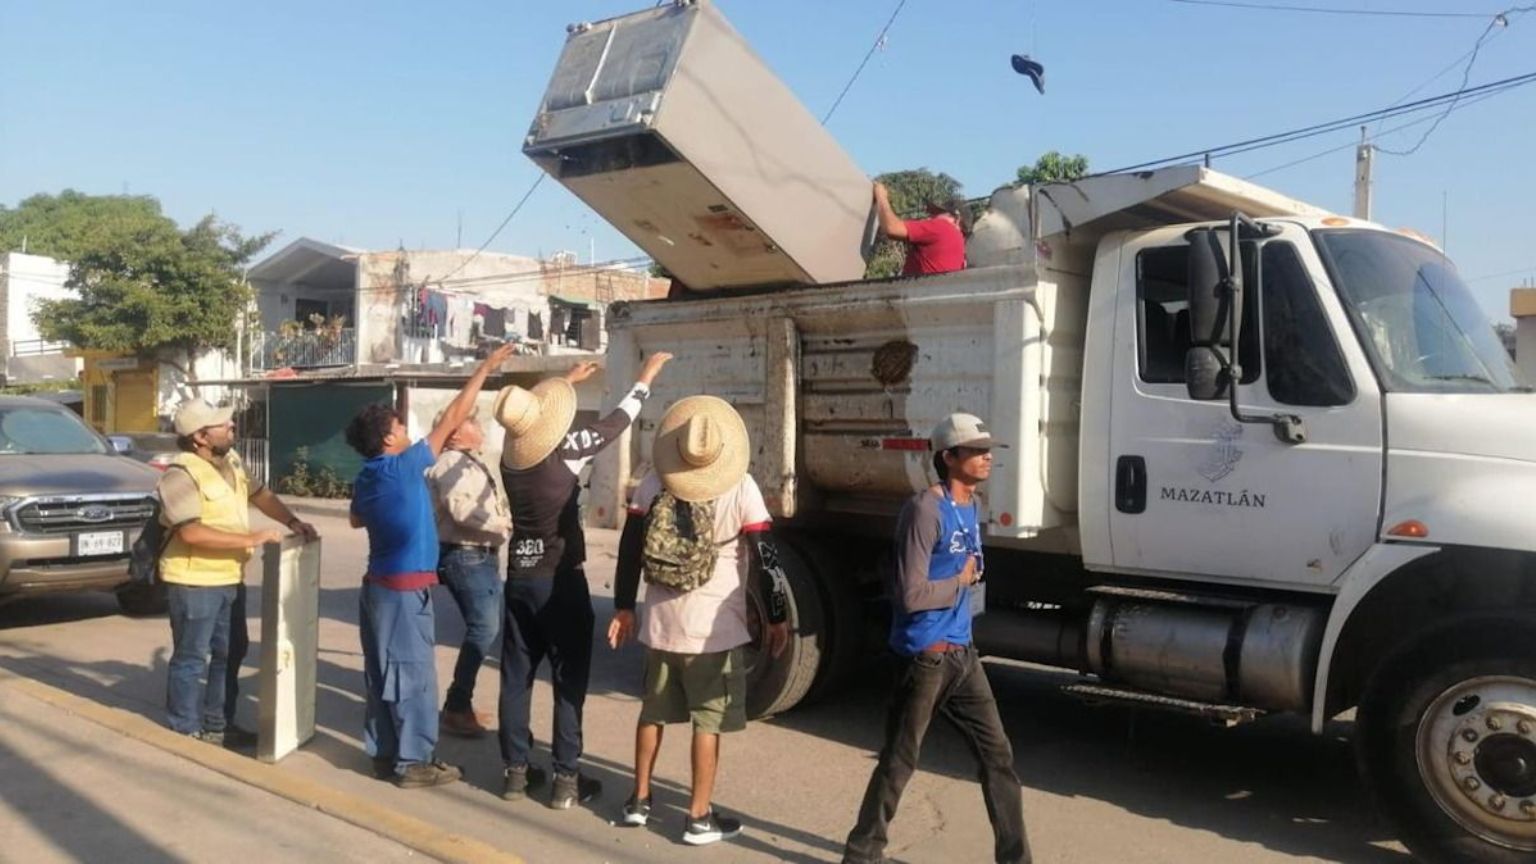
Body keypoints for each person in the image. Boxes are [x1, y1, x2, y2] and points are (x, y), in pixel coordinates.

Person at [842, 413, 1030, 864]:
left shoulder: (972, 505)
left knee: (998, 757)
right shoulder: (924, 510)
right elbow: (910, 595)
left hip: (963, 655)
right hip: (925, 657)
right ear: (948, 457)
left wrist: (968, 583)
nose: (987, 458)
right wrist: (960, 582)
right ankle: (862, 854)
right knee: (899, 760)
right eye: (976, 451)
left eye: (988, 451)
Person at [607, 395, 792, 846]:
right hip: (714, 630)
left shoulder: (654, 482)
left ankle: (639, 801)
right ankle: (698, 817)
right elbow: (766, 557)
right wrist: (776, 617)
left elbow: (630, 548)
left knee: (652, 712)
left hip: (661, 626)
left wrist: (625, 607)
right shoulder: (740, 486)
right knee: (707, 721)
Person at [495, 351, 672, 809]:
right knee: (569, 679)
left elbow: (536, 420)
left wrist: (567, 382)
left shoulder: (510, 461)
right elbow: (616, 423)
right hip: (560, 580)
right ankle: (566, 779)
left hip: (519, 577)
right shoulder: (566, 452)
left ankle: (515, 774)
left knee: (516, 676)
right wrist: (645, 377)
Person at [346, 342, 516, 789]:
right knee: (414, 675)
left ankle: (385, 754)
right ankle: (414, 762)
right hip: (403, 593)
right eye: (401, 426)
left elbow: (356, 518)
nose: (408, 431)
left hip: (377, 588)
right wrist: (486, 367)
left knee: (382, 673)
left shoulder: (368, 475)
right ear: (388, 439)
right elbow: (453, 415)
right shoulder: (403, 467)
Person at [157, 398, 318, 746]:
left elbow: (261, 495)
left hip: (230, 578)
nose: (232, 426)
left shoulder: (231, 461)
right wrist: (252, 538)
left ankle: (218, 724)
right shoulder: (180, 474)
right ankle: (184, 729)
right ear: (200, 437)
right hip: (194, 582)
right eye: (222, 424)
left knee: (230, 653)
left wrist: (292, 521)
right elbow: (190, 533)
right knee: (191, 657)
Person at [426, 406, 512, 738]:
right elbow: (461, 510)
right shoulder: (450, 463)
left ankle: (459, 703)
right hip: (466, 553)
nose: (480, 428)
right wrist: (503, 524)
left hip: (478, 553)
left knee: (485, 627)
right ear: (456, 433)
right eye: (473, 423)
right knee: (484, 628)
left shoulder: (469, 461)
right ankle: (457, 706)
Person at [872, 181, 968, 276]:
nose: (931, 217)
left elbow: (891, 228)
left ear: (957, 219)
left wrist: (881, 196)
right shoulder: (962, 250)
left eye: (938, 213)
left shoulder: (943, 228)